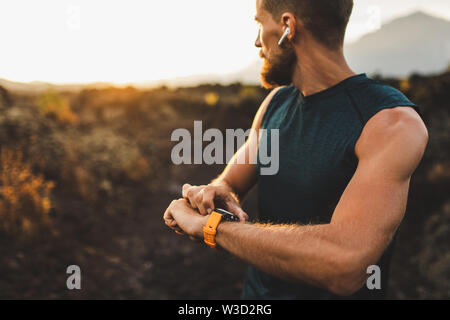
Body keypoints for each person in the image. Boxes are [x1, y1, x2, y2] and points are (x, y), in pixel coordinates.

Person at [163, 0, 428, 299]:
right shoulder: (275, 103)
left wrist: (211, 227)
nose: (255, 41)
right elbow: (229, 181)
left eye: (260, 23)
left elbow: (345, 266)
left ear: (287, 27)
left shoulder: (390, 123)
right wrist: (213, 191)